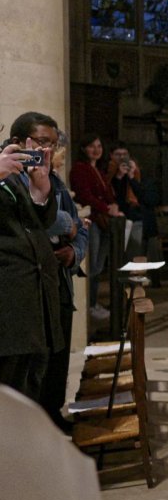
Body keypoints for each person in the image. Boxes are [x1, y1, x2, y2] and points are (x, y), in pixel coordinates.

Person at [12, 114, 86, 426]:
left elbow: (80, 229)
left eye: (53, 144)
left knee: (58, 353)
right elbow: (35, 217)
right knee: (31, 364)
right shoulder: (12, 177)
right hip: (27, 285)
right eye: (42, 142)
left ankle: (54, 414)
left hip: (59, 278)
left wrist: (74, 252)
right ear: (19, 143)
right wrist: (67, 224)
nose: (49, 150)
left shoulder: (54, 180)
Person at [0, 128, 62, 402]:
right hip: (7, 306)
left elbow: (36, 224)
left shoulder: (10, 173)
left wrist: (40, 190)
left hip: (31, 302)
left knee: (30, 391)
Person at [69, 134, 122, 322]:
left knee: (99, 266)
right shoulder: (79, 169)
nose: (96, 149)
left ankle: (93, 303)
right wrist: (106, 207)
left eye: (99, 146)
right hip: (91, 221)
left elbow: (107, 193)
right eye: (92, 146)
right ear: (83, 148)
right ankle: (89, 305)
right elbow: (84, 196)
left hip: (104, 221)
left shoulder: (98, 169)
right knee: (92, 266)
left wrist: (113, 205)